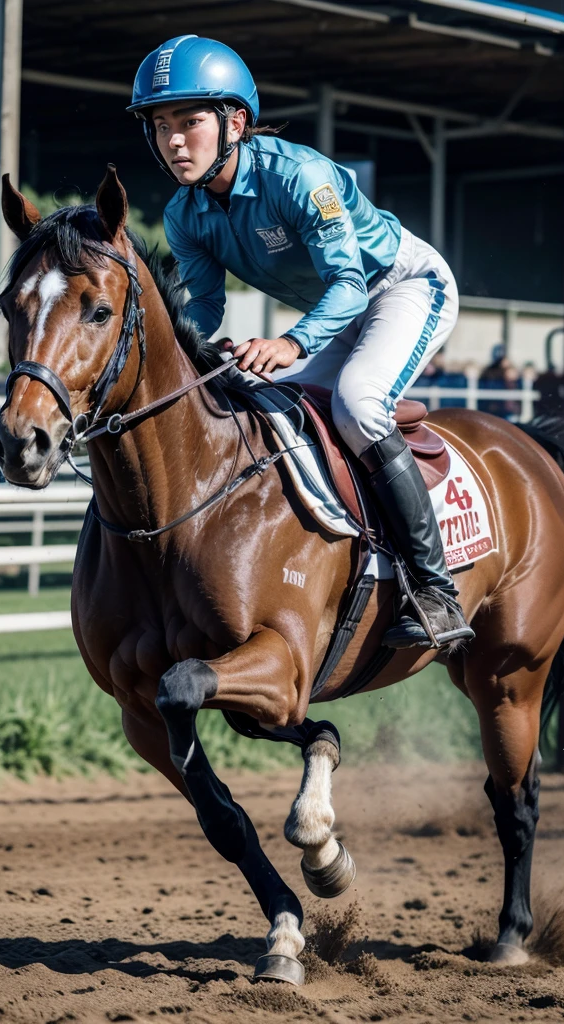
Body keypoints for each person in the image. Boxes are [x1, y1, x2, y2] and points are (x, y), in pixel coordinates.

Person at [127, 35, 474, 650]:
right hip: (332, 312)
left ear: (236, 122)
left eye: (190, 121)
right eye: (159, 125)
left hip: (401, 286)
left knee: (359, 403)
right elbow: (204, 306)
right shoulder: (185, 214)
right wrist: (181, 364)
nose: (173, 140)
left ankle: (433, 588)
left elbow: (349, 282)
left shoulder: (300, 176)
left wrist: (290, 343)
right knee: (268, 408)